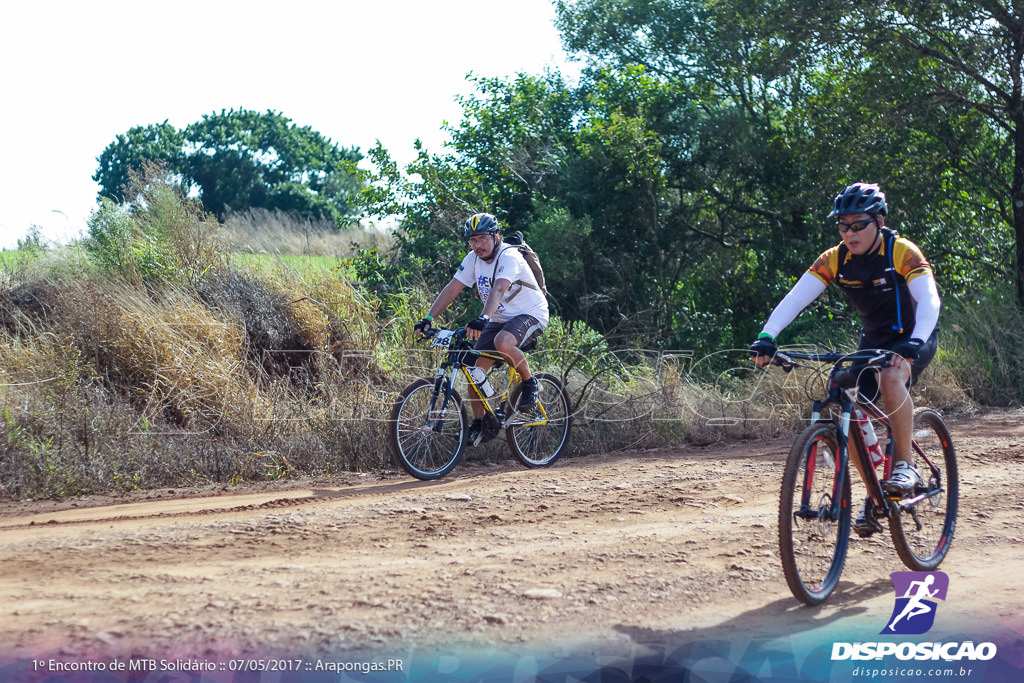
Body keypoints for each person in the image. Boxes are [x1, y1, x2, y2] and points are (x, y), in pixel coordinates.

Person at [749, 183, 942, 535]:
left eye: (858, 224)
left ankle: (905, 466)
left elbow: (929, 300)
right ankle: (876, 498)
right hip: (873, 341)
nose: (849, 233)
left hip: (915, 334)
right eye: (843, 225)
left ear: (879, 221)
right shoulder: (835, 258)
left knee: (891, 377)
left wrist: (914, 342)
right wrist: (767, 337)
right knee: (843, 399)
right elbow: (796, 298)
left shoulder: (901, 252)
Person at [414, 213, 549, 446]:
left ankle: (530, 383)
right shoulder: (472, 259)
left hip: (531, 313)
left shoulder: (510, 257)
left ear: (495, 237)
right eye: (473, 240)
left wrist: (483, 318)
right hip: (498, 318)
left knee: (503, 342)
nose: (478, 245)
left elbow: (498, 289)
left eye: (483, 239)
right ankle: (480, 423)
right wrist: (428, 318)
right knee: (473, 369)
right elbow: (452, 288)